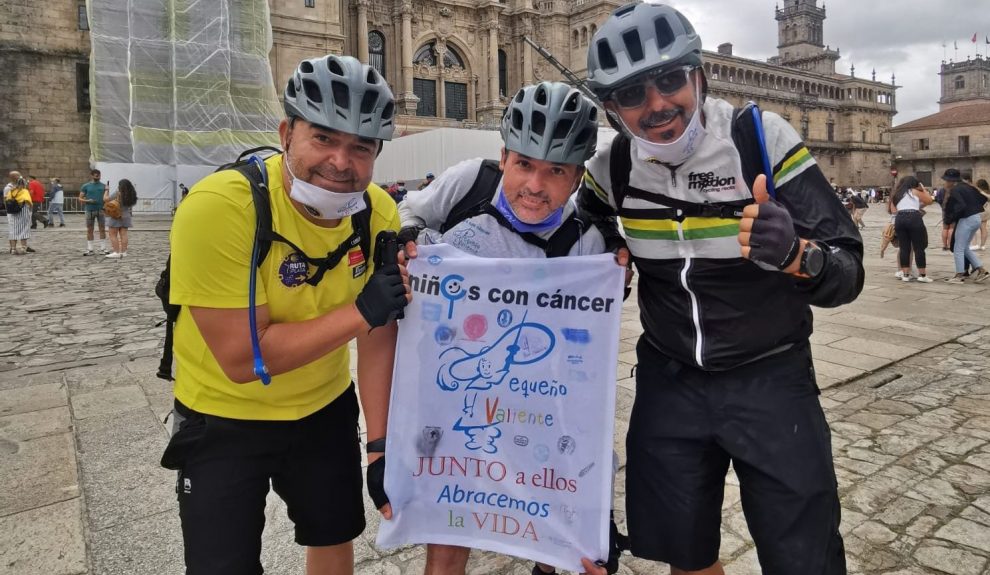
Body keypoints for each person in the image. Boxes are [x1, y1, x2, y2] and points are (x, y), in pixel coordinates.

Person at [578, 3, 860, 574]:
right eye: (633, 94)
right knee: (685, 555)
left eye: (669, 80)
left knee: (806, 560)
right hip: (670, 381)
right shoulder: (611, 170)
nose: (656, 104)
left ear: (698, 76)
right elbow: (567, 235)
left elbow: (848, 272)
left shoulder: (759, 137)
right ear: (612, 110)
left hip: (772, 381)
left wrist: (795, 256)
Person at [161, 54, 410, 575]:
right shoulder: (221, 207)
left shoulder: (377, 212)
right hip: (223, 414)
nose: (342, 162)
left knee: (333, 535)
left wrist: (380, 445)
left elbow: (377, 339)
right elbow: (243, 358)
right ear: (286, 132)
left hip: (322, 409)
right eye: (323, 138)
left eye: (360, 148)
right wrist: (361, 311)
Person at [398, 81, 624, 575]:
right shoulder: (469, 183)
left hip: (542, 402)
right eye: (524, 164)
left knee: (564, 534)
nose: (535, 186)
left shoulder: (587, 237)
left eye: (556, 171)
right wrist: (409, 239)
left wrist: (615, 264)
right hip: (460, 393)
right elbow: (409, 210)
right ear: (503, 156)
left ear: (578, 176)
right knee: (448, 521)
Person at [941, 168, 989, 283]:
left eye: (946, 180)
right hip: (976, 218)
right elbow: (983, 199)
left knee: (958, 248)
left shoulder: (955, 190)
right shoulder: (969, 187)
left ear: (951, 181)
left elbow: (960, 206)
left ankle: (959, 275)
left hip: (966, 219)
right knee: (965, 247)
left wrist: (952, 217)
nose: (945, 183)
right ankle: (981, 270)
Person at [892, 176, 934, 282]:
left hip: (900, 218)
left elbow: (893, 210)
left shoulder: (896, 194)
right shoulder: (914, 191)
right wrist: (923, 189)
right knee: (919, 247)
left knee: (904, 247)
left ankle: (905, 275)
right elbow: (929, 201)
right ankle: (922, 275)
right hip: (914, 217)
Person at [104, 178, 138, 258]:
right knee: (124, 234)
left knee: (113, 234)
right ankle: (124, 252)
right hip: (126, 215)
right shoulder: (132, 194)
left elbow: (106, 199)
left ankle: (116, 252)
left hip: (116, 215)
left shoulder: (118, 193)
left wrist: (106, 190)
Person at [80, 169, 109, 255]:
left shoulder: (104, 186)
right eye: (96, 175)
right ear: (92, 176)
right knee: (90, 229)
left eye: (99, 175)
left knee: (102, 229)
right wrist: (88, 200)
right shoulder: (85, 186)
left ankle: (103, 249)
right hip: (89, 210)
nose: (98, 177)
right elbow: (80, 198)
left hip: (101, 210)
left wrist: (107, 190)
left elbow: (106, 199)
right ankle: (90, 249)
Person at [5, 177, 33, 254]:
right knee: (24, 230)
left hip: (13, 214)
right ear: (24, 184)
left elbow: (7, 200)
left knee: (13, 231)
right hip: (23, 213)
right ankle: (23, 248)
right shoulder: (24, 191)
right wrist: (31, 209)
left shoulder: (11, 191)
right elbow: (28, 202)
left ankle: (13, 249)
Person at [975, 178, 990, 250]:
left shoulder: (977, 192)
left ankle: (975, 244)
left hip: (979, 211)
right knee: (983, 228)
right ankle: (982, 245)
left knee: (974, 228)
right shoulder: (988, 192)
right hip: (987, 211)